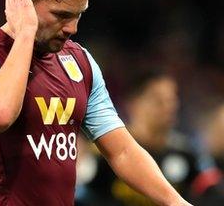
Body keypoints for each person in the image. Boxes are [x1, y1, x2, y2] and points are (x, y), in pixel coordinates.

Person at [0, 0, 190, 205]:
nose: (72, 28)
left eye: (78, 15)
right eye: (61, 15)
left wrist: (177, 203)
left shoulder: (79, 61)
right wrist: (26, 32)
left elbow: (122, 151)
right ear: (25, 1)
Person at [76, 71, 224, 205]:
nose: (169, 107)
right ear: (133, 104)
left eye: (172, 100)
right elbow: (80, 195)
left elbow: (213, 191)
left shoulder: (188, 154)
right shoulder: (104, 152)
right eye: (158, 100)